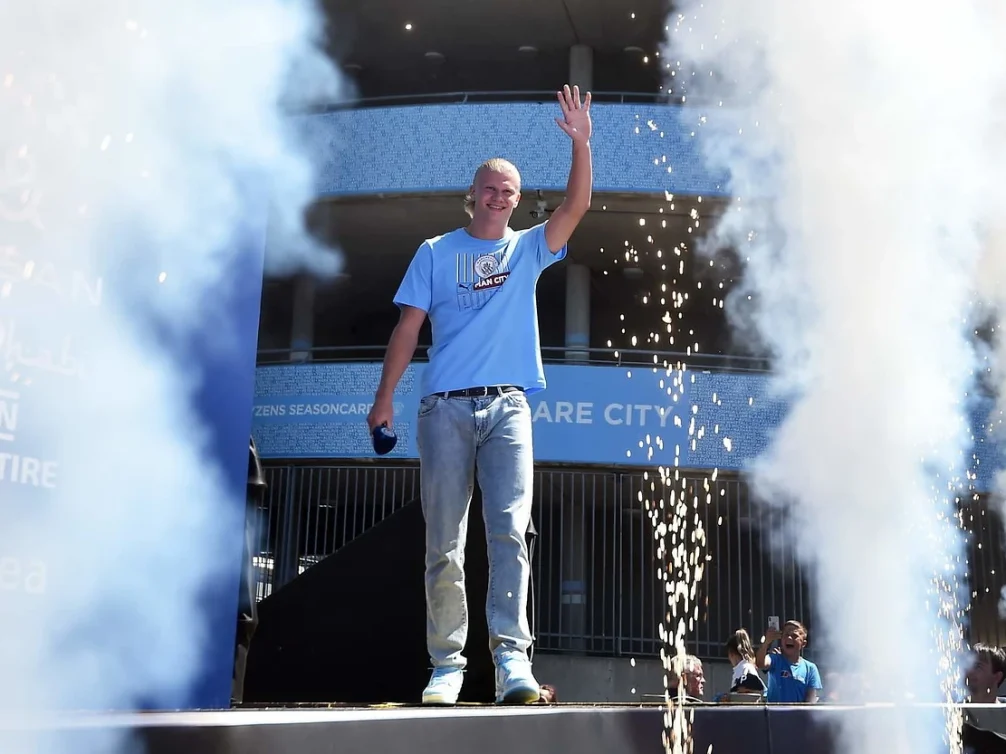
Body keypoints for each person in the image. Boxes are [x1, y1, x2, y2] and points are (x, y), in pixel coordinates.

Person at [366, 84, 593, 706]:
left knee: (510, 533)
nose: (499, 196)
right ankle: (447, 665)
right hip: (444, 408)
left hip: (508, 406)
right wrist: (384, 399)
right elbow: (407, 327)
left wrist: (581, 142)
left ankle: (512, 663)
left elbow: (577, 205)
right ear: (474, 194)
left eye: (510, 190)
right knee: (444, 540)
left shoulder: (528, 249)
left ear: (518, 201)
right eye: (490, 187)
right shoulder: (435, 252)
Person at [755, 619, 822, 703]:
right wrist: (766, 642)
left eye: (794, 636)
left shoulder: (810, 668)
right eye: (786, 635)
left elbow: (811, 699)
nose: (789, 638)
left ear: (803, 644)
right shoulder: (775, 659)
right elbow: (760, 663)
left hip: (798, 715)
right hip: (775, 714)